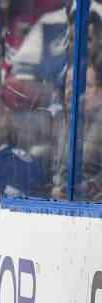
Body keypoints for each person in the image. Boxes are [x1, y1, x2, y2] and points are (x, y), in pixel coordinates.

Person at [52, 64, 102, 202]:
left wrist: (76, 189)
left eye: (84, 85)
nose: (72, 91)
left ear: (99, 92)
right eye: (69, 84)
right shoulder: (61, 121)